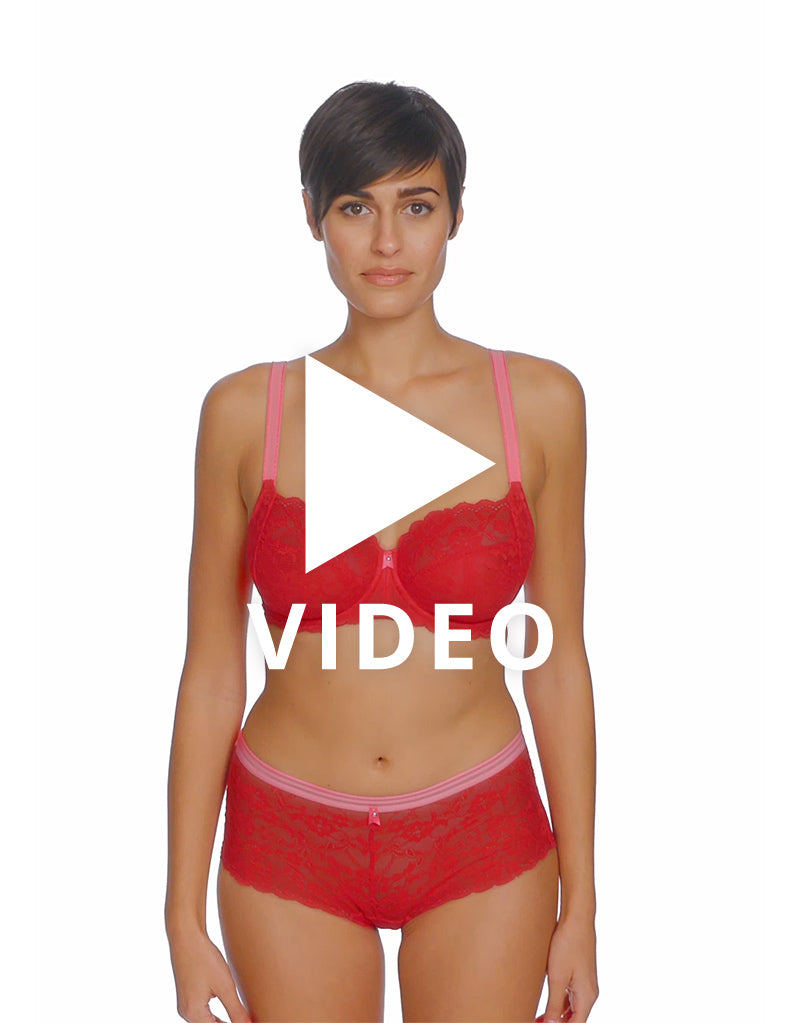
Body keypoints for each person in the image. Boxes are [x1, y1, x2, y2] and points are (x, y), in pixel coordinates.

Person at [165, 79, 598, 1023]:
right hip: (288, 834)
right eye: (357, 208)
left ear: (456, 217)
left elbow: (558, 659)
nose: (388, 241)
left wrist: (585, 906)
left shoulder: (540, 405)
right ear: (313, 216)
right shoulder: (244, 412)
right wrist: (180, 915)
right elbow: (210, 670)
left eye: (418, 206)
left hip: (482, 828)